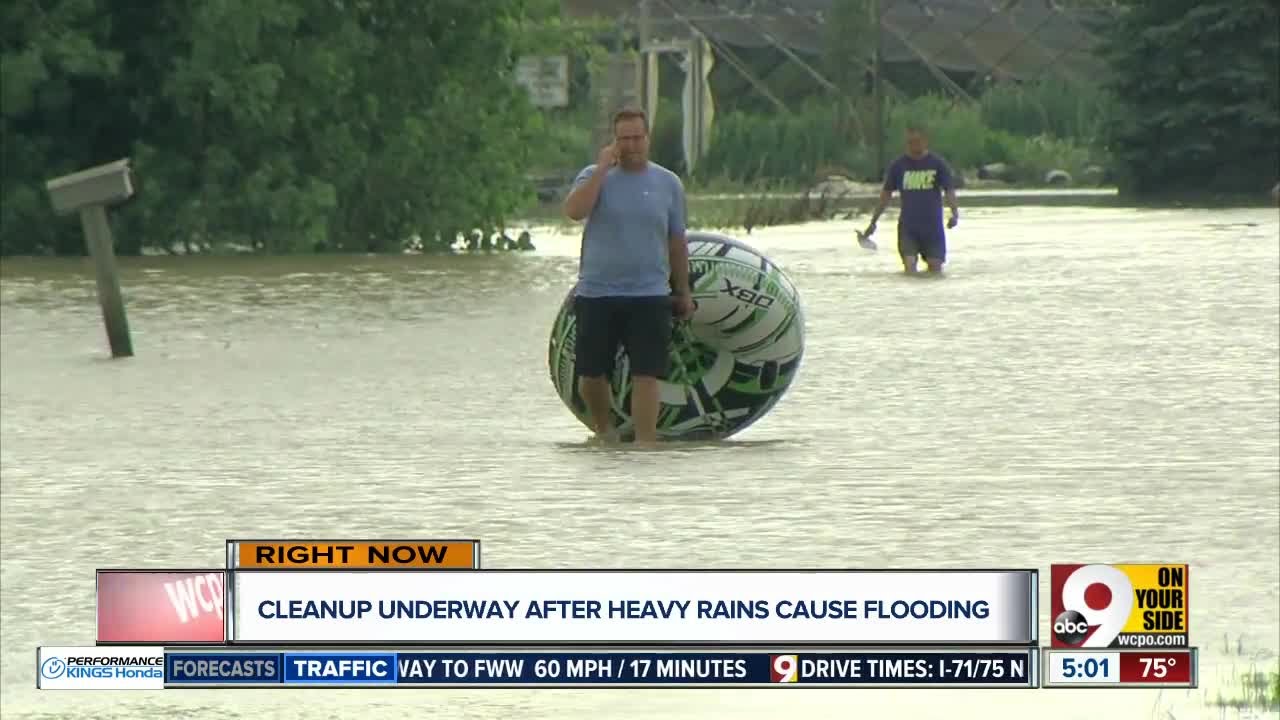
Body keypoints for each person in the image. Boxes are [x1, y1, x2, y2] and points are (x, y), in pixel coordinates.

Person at [562, 107, 695, 444]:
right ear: (614, 141)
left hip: (649, 293)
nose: (632, 145)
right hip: (597, 293)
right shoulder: (594, 175)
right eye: (624, 139)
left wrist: (683, 290)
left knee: (646, 374)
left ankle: (645, 443)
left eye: (637, 138)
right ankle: (604, 432)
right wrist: (603, 169)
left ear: (647, 139)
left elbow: (676, 240)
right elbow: (574, 212)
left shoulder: (668, 183)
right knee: (591, 375)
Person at [862, 126, 960, 274]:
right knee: (909, 268)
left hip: (932, 227)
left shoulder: (938, 164)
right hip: (908, 227)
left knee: (935, 270)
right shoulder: (898, 166)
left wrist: (954, 213)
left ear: (925, 142)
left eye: (918, 141)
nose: (915, 145)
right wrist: (873, 222)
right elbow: (885, 195)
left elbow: (949, 190)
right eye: (911, 142)